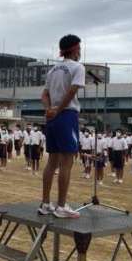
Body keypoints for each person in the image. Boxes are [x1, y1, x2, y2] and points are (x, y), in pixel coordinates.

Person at [38, 34, 85, 218]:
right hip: (66, 115)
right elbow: (72, 92)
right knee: (67, 161)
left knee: (52, 161)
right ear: (74, 49)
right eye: (79, 48)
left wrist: (49, 109)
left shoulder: (53, 70)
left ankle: (45, 203)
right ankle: (61, 206)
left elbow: (44, 94)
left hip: (52, 117)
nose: (80, 51)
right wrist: (58, 110)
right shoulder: (78, 67)